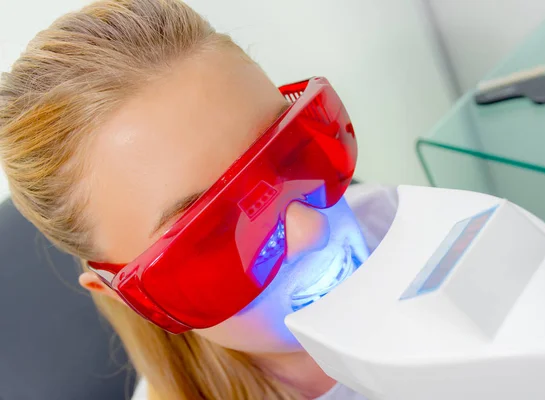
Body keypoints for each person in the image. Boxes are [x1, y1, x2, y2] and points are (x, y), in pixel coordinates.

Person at [0, 0, 397, 399]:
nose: (311, 231)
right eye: (212, 233)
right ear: (135, 300)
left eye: (289, 155)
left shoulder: (399, 220)